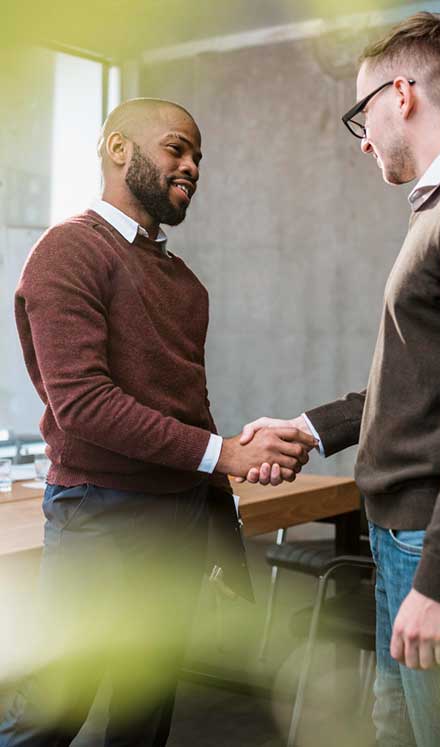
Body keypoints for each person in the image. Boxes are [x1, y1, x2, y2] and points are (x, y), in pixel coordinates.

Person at [0, 98, 316, 747]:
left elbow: (189, 415)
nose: (193, 166)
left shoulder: (186, 285)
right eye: (177, 148)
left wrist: (222, 538)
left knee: (146, 719)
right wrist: (224, 454)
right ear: (120, 149)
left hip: (176, 524)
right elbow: (83, 405)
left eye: (198, 156)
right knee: (54, 711)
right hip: (100, 518)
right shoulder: (67, 252)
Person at [240, 12, 440, 746]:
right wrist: (313, 430)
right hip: (398, 539)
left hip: (427, 546)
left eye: (361, 114)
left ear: (400, 93)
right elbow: (425, 379)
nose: (364, 139)